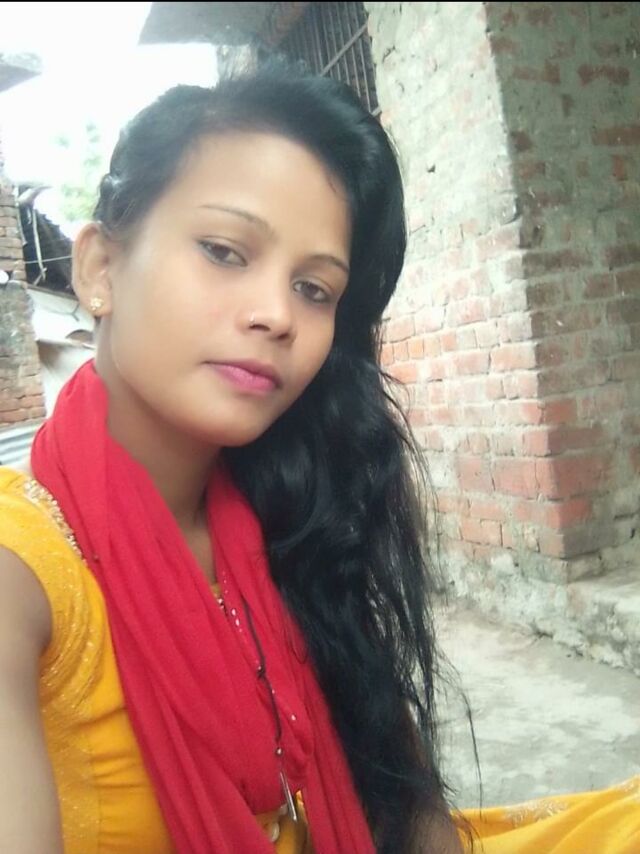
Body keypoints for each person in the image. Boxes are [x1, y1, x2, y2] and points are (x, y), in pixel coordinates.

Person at [0, 63, 638, 854]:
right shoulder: (23, 570)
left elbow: (407, 807)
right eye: (225, 251)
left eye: (314, 288)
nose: (276, 314)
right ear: (100, 268)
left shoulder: (294, 511)